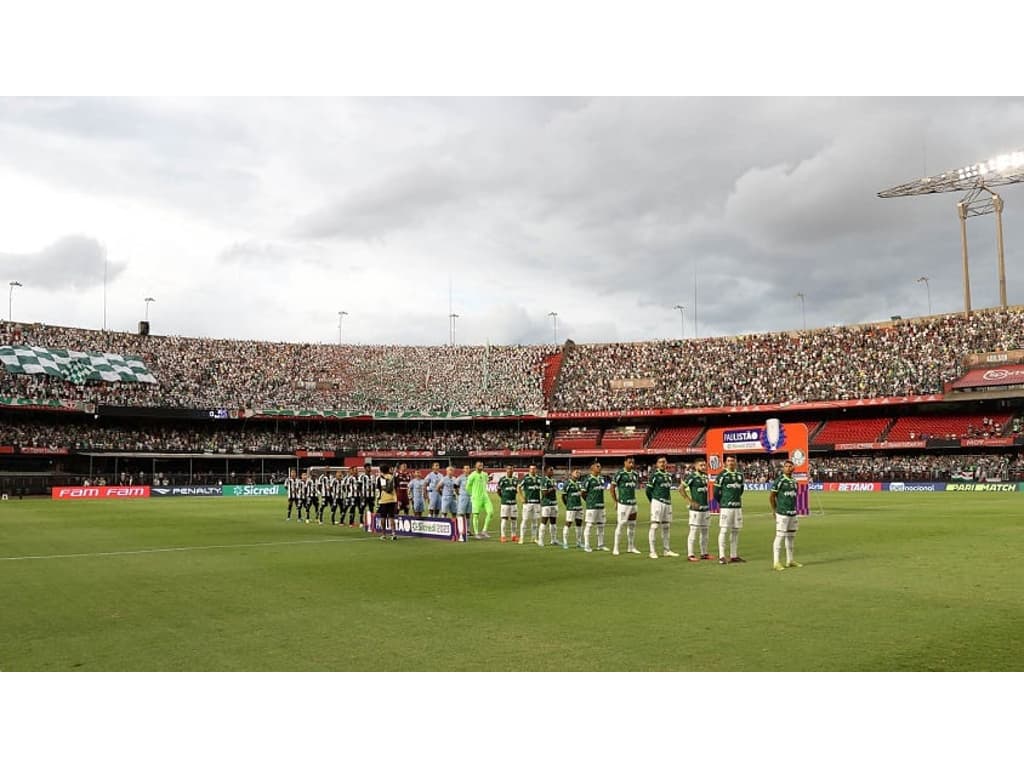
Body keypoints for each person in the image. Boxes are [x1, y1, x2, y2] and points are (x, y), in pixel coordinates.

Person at [770, 460, 802, 570]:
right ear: (783, 468)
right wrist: (774, 510)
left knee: (791, 537)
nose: (788, 468)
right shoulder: (780, 480)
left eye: (790, 466)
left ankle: (790, 560)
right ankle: (776, 562)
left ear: (793, 468)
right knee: (780, 536)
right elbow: (772, 496)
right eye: (786, 466)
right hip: (782, 513)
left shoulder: (794, 481)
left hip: (792, 513)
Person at [645, 457, 679, 558]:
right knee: (655, 526)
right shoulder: (654, 475)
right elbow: (648, 490)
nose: (662, 464)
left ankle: (666, 550)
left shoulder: (668, 476)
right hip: (657, 502)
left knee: (666, 527)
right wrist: (653, 501)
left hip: (667, 503)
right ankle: (652, 551)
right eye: (660, 462)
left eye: (664, 462)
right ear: (657, 464)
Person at [714, 455, 745, 564]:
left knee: (735, 531)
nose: (731, 462)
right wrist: (722, 502)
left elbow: (741, 490)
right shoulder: (722, 475)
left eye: (732, 460)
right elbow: (716, 493)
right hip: (726, 507)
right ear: (725, 463)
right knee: (724, 530)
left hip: (737, 507)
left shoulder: (740, 475)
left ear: (735, 462)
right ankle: (722, 556)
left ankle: (734, 555)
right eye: (729, 461)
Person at [681, 459, 712, 561]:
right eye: (701, 465)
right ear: (695, 466)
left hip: (705, 508)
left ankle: (704, 553)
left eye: (704, 465)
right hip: (695, 510)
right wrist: (690, 501)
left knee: (705, 532)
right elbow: (681, 489)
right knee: (693, 531)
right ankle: (691, 555)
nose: (703, 467)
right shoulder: (692, 476)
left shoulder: (705, 476)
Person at [610, 457, 642, 556]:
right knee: (620, 525)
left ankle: (631, 547)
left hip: (633, 503)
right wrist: (615, 501)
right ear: (625, 463)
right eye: (629, 462)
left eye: (633, 462)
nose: (631, 464)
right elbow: (612, 488)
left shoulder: (635, 474)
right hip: (623, 504)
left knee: (632, 526)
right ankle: (616, 548)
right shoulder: (620, 474)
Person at [581, 461, 608, 553]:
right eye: (597, 466)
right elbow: (583, 493)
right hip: (592, 506)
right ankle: (587, 545)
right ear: (592, 468)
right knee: (589, 525)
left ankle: (600, 545)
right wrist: (589, 501)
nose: (599, 468)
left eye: (600, 466)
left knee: (601, 525)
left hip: (601, 505)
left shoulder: (601, 478)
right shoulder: (588, 480)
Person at [466, 461, 493, 539]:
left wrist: (490, 479)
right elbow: (467, 487)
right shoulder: (472, 475)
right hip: (476, 498)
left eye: (482, 465)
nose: (481, 466)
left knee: (490, 512)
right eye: (479, 465)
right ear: (475, 466)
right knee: (476, 515)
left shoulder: (484, 474)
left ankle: (484, 531)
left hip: (485, 497)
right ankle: (476, 533)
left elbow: (487, 481)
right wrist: (472, 494)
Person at [518, 464, 543, 545]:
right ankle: (521, 538)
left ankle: (534, 538)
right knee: (525, 520)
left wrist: (542, 498)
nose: (532, 470)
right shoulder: (526, 478)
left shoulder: (539, 479)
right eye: (531, 469)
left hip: (537, 503)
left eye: (534, 469)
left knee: (535, 521)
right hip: (528, 503)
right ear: (529, 470)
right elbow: (518, 487)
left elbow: (543, 489)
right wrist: (521, 498)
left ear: (536, 470)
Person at [561, 468, 585, 549]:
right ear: (572, 474)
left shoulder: (579, 483)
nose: (578, 474)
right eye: (576, 472)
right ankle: (565, 542)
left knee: (579, 524)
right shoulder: (567, 484)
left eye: (579, 472)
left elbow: (581, 494)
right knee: (568, 523)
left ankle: (579, 542)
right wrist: (567, 505)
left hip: (579, 507)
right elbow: (563, 496)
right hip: (571, 507)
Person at [538, 465, 560, 547]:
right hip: (546, 504)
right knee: (544, 522)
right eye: (550, 470)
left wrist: (553, 489)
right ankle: (541, 540)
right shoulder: (544, 480)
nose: (552, 471)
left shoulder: (553, 480)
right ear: (546, 471)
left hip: (554, 503)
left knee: (553, 523)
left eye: (552, 470)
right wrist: (552, 489)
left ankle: (553, 540)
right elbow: (544, 493)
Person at [497, 466, 519, 542]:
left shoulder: (515, 480)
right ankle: (503, 536)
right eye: (508, 469)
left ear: (513, 470)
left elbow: (517, 490)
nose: (510, 470)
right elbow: (498, 490)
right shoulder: (502, 480)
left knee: (514, 519)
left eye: (511, 469)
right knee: (504, 519)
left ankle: (514, 536)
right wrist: (503, 498)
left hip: (513, 503)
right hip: (505, 503)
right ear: (506, 470)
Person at [376, 464, 398, 540]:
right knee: (391, 517)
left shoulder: (380, 478)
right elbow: (396, 487)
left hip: (384, 500)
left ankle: (383, 534)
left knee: (383, 517)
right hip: (392, 499)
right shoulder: (393, 477)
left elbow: (380, 489)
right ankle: (393, 533)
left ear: (381, 470)